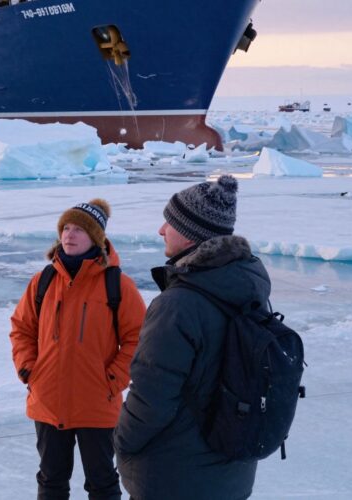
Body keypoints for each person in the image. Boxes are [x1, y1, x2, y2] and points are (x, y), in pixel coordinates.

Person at [114, 175, 267, 499]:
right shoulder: (249, 289)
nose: (161, 230)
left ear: (189, 234)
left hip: (174, 476)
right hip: (232, 471)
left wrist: (121, 441)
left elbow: (151, 396)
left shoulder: (179, 305)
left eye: (169, 222)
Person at [10, 199, 146, 500]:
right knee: (51, 481)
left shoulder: (117, 284)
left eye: (79, 229)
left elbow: (138, 339)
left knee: (102, 483)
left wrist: (112, 380)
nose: (69, 235)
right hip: (48, 401)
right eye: (66, 228)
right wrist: (29, 371)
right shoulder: (43, 281)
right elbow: (22, 329)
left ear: (95, 238)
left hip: (96, 403)